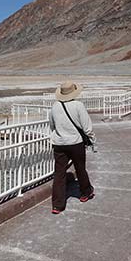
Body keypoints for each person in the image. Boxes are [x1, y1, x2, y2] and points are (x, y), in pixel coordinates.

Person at [49, 81, 95, 214]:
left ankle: (57, 205)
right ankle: (85, 193)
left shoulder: (55, 106)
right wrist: (92, 139)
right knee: (80, 168)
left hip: (59, 143)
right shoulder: (78, 105)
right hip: (76, 143)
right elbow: (87, 126)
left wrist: (58, 134)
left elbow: (52, 125)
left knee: (59, 173)